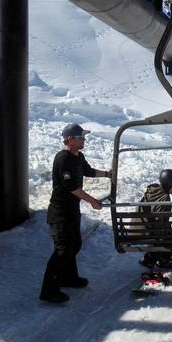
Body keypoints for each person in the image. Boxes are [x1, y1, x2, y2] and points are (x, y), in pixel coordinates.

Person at [40, 123, 111, 303]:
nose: (84, 140)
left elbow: (89, 171)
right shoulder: (63, 159)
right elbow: (72, 187)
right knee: (62, 250)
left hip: (72, 210)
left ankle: (68, 278)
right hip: (60, 212)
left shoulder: (78, 156)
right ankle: (49, 290)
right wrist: (93, 201)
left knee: (75, 244)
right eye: (81, 137)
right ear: (70, 139)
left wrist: (107, 174)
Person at [138, 169, 172, 268]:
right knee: (168, 233)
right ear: (168, 185)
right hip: (152, 232)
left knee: (165, 231)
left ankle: (150, 258)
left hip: (143, 228)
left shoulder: (153, 191)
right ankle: (163, 260)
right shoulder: (165, 198)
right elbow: (161, 223)